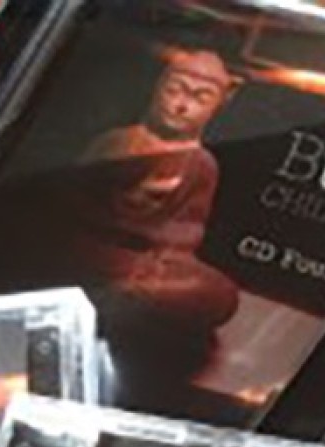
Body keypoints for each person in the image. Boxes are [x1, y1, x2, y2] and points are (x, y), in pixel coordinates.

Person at [75, 48, 241, 382]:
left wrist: (162, 261)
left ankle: (128, 297)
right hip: (96, 248)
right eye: (175, 90)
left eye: (200, 97)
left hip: (146, 264)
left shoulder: (202, 165)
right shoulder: (117, 141)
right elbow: (69, 203)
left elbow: (186, 233)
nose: (182, 105)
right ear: (158, 86)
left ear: (221, 102)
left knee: (218, 292)